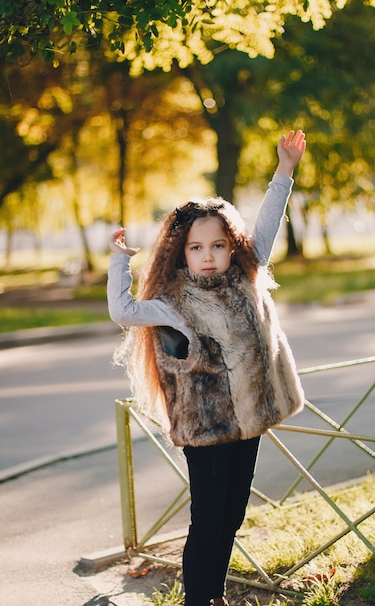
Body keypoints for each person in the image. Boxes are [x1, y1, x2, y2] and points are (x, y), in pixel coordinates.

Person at [107, 129, 306, 606]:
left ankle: (213, 595)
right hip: (208, 428)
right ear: (182, 252)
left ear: (231, 247)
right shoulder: (176, 301)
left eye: (217, 246)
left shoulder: (247, 275)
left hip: (249, 419)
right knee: (209, 520)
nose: (209, 256)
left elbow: (267, 226)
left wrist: (284, 170)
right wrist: (119, 262)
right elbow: (123, 311)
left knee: (234, 515)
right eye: (197, 248)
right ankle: (198, 598)